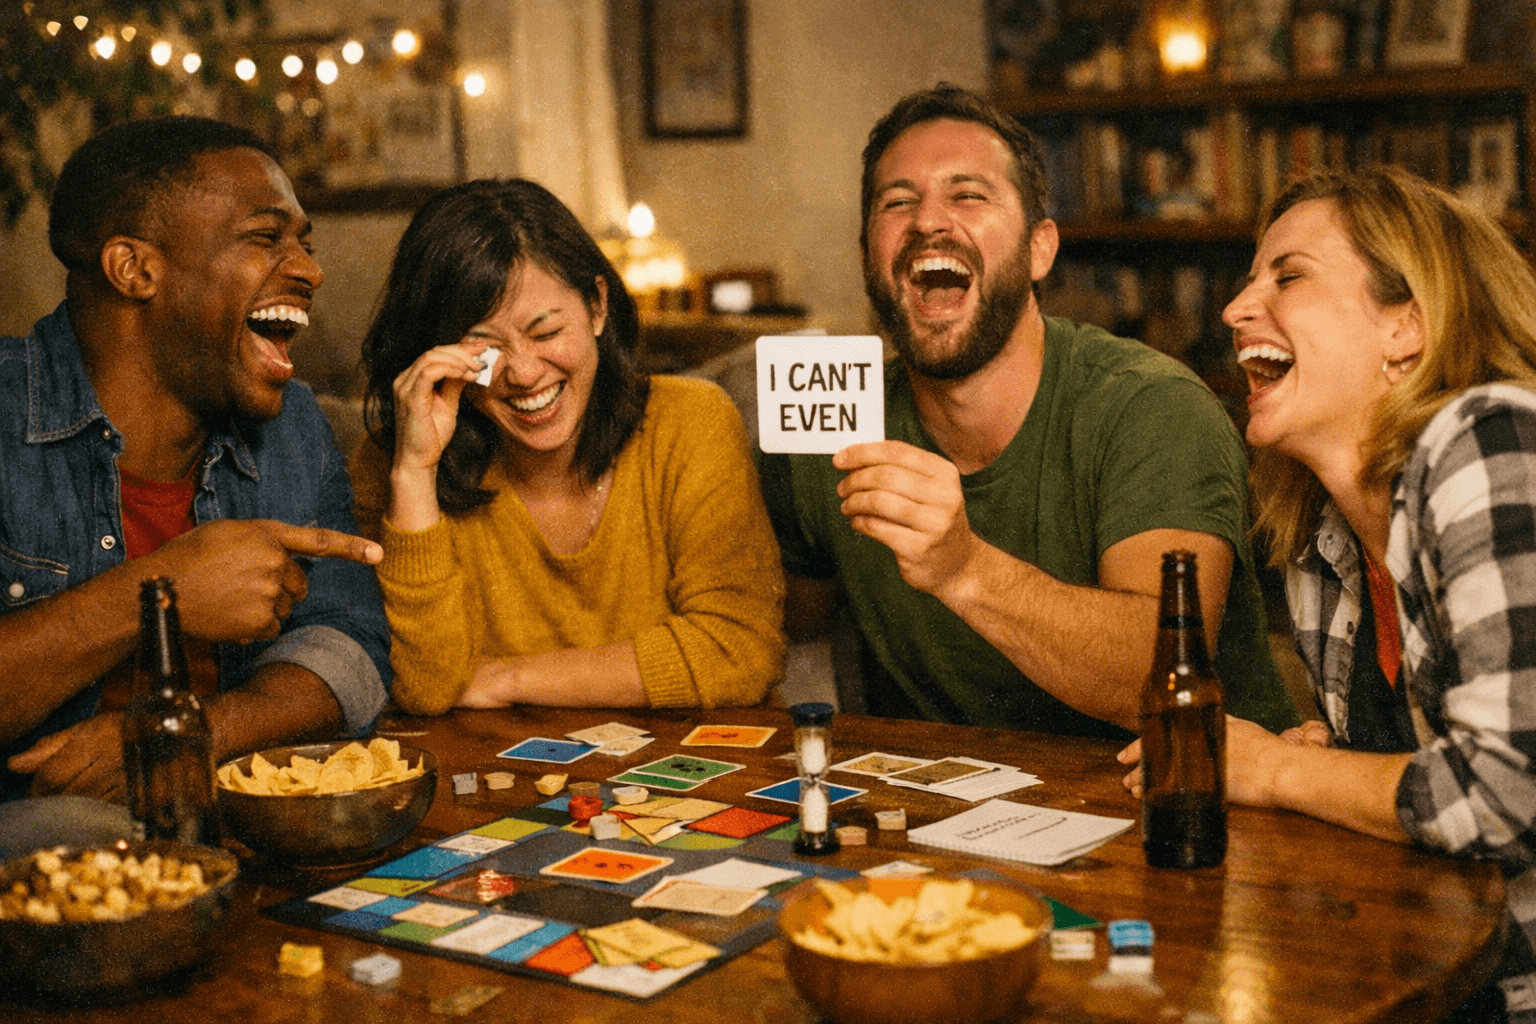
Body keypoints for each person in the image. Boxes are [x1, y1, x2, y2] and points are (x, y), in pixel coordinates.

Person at [1121, 165, 1536, 1022]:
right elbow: (1418, 795)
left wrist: (1281, 770)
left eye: (1289, 276)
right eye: (1248, 281)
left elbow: (1506, 797)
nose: (1236, 309)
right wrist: (1330, 766)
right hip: (1434, 975)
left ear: (1406, 327)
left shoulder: (1490, 439)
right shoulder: (1321, 536)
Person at [760, 83, 1296, 739]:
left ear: (1040, 249)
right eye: (897, 202)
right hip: (934, 796)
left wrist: (963, 567)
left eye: (968, 195)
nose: (928, 221)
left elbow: (1159, 676)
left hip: (1198, 790)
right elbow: (770, 626)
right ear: (868, 254)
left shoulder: (1152, 406)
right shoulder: (825, 423)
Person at [0, 117, 391, 803]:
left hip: (227, 825)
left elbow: (351, 645)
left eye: (304, 244)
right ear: (135, 269)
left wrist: (190, 734)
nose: (310, 270)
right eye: (265, 238)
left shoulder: (293, 427)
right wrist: (160, 595)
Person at [350, 178, 784, 714]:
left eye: (546, 332)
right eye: (484, 351)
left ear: (597, 306)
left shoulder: (691, 422)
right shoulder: (393, 466)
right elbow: (427, 689)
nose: (524, 373)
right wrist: (415, 472)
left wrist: (505, 679)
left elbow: (740, 649)